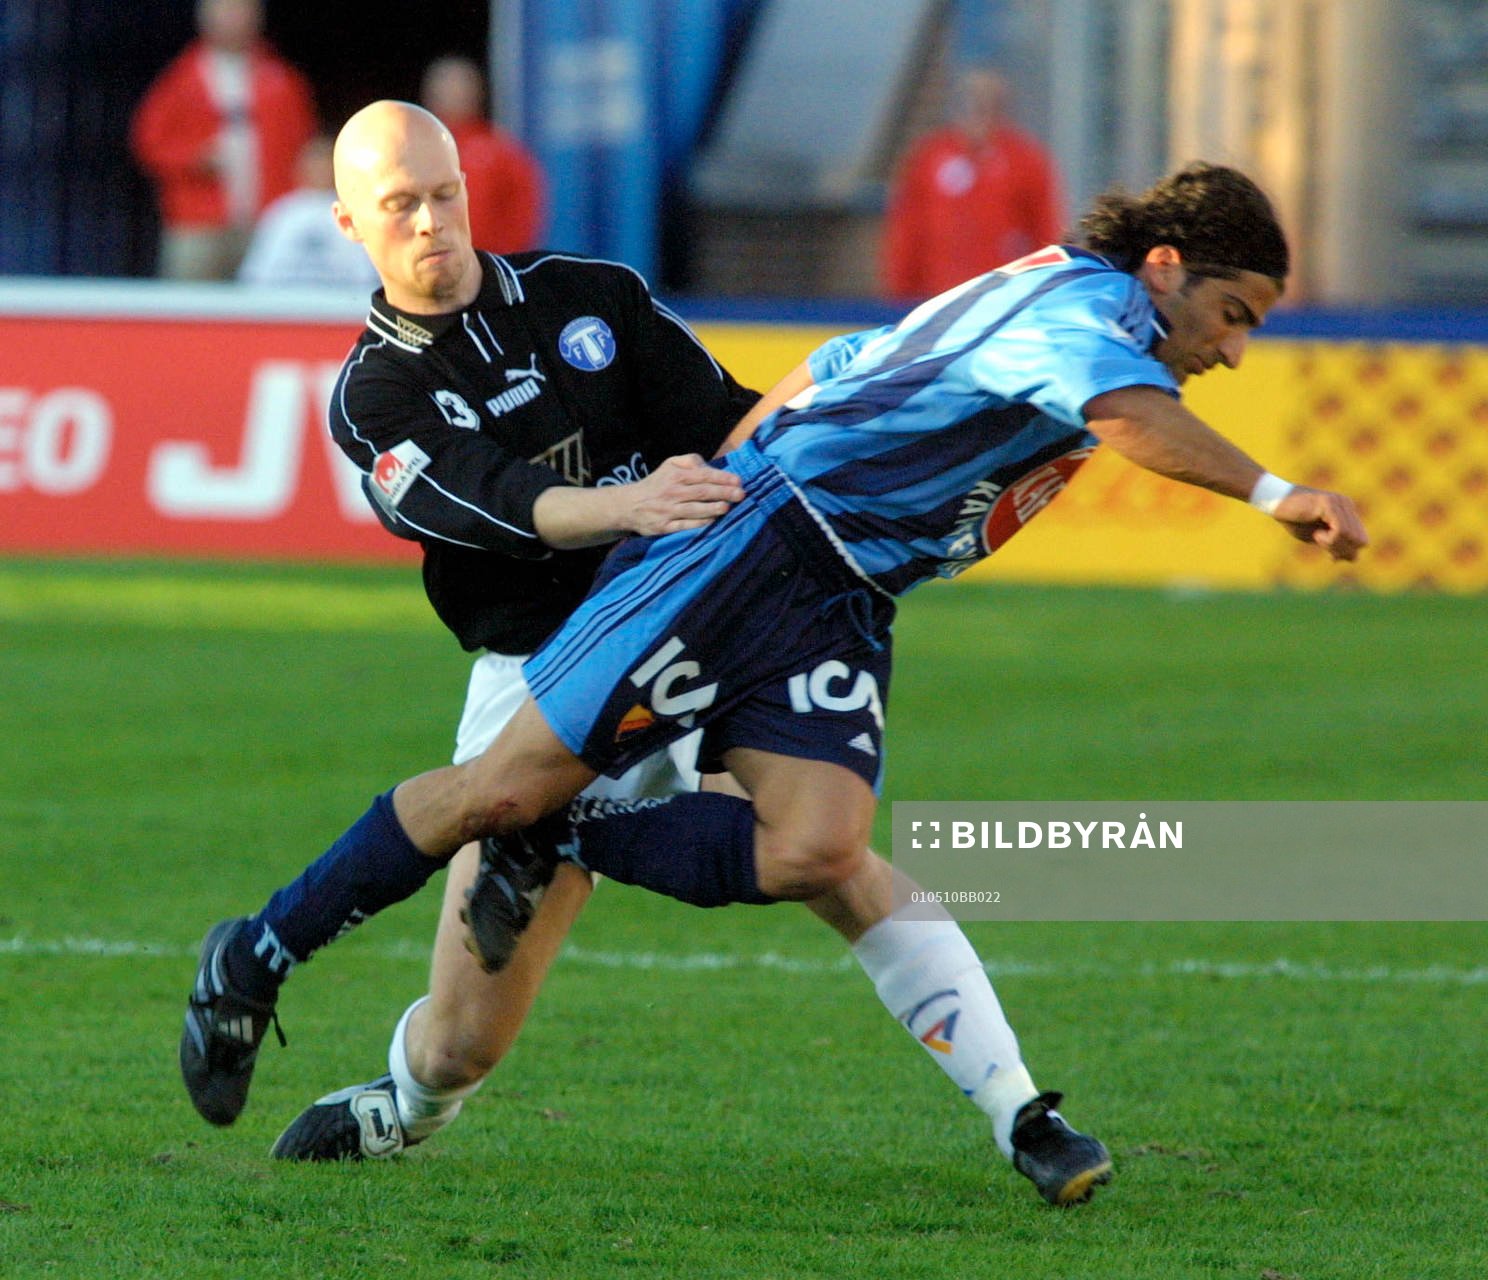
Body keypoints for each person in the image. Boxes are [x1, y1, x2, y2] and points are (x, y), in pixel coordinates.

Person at [180, 100, 1108, 1208]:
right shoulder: (375, 393)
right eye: (400, 206)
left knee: (830, 856)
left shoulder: (590, 297)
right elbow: (486, 504)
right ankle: (401, 1101)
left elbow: (731, 424)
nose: (432, 221)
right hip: (542, 677)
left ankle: (1021, 1108)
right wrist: (628, 503)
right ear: (347, 223)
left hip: (713, 621)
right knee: (461, 1048)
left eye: (445, 193)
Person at [130, 0, 316, 281]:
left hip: (266, 222)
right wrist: (194, 159)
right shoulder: (182, 79)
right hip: (198, 224)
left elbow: (304, 146)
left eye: (242, 11)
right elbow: (150, 142)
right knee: (190, 309)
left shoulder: (281, 79)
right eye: (226, 11)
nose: (234, 19)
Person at [882, 68, 1063, 302]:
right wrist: (900, 293)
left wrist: (1043, 292)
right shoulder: (929, 157)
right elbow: (907, 230)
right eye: (971, 102)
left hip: (1003, 298)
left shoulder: (1026, 159)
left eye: (988, 104)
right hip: (936, 297)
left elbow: (1045, 230)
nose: (979, 112)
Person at [420, 55, 544, 254]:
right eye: (444, 85)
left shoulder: (501, 151)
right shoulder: (413, 149)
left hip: (487, 267)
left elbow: (524, 210)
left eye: (458, 85)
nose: (451, 93)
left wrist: (501, 260)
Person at [237, 135, 381, 289]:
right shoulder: (282, 211)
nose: (319, 170)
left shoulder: (356, 212)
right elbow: (255, 276)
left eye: (324, 163)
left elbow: (369, 279)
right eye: (314, 163)